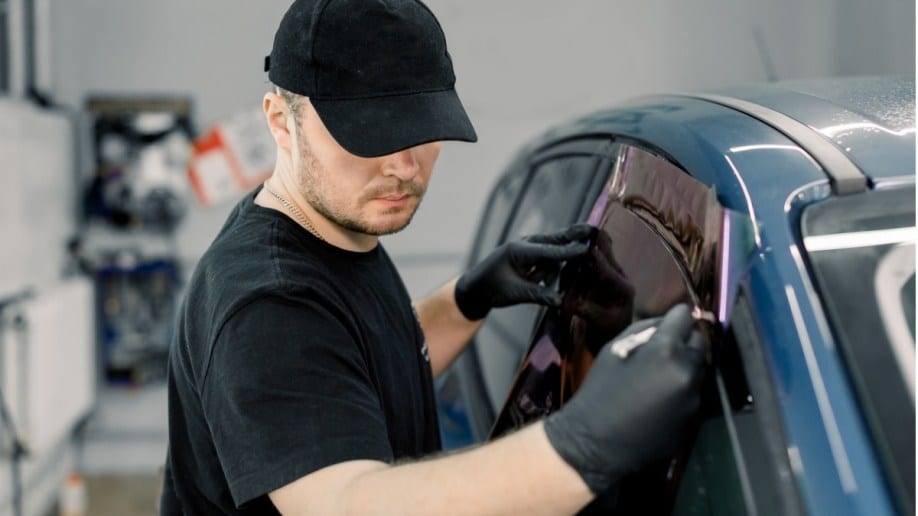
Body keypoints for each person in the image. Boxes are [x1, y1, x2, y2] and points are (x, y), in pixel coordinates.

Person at [160, 0, 707, 514]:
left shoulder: (328, 228)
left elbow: (350, 367)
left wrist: (468, 299)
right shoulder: (267, 304)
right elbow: (346, 502)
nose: (404, 164)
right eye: (371, 134)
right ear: (281, 121)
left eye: (421, 129)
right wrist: (584, 444)